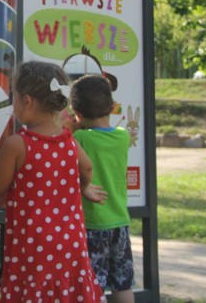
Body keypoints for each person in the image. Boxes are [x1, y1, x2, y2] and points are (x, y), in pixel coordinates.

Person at [0, 61, 107, 302]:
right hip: (70, 242)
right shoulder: (68, 141)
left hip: (34, 245)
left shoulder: (17, 144)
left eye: (14, 96)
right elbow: (87, 167)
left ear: (27, 101)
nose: (13, 103)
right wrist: (84, 187)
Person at [70, 75, 135, 303]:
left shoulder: (79, 138)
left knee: (92, 284)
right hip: (120, 222)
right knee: (122, 283)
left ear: (76, 111)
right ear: (111, 106)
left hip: (92, 225)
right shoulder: (122, 137)